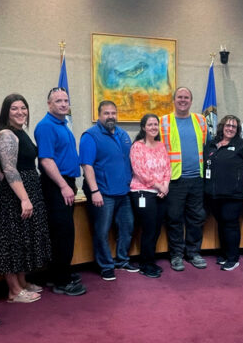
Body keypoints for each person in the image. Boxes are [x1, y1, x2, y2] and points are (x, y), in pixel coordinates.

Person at [0, 94, 51, 303]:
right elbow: (9, 169)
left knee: (24, 240)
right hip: (16, 197)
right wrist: (24, 198)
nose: (20, 112)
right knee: (12, 243)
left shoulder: (20, 132)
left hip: (26, 189)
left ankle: (23, 282)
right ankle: (14, 291)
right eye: (14, 108)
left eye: (23, 108)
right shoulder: (6, 134)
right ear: (6, 112)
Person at [35, 87, 86, 296]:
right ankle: (61, 281)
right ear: (49, 104)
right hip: (56, 185)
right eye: (58, 101)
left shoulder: (63, 123)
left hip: (66, 183)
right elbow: (46, 160)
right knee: (62, 233)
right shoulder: (46, 126)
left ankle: (59, 272)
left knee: (63, 233)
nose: (64, 104)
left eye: (66, 100)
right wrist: (64, 186)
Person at [80, 100, 138, 281]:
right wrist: (94, 191)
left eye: (113, 113)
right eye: (106, 113)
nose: (110, 116)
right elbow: (87, 165)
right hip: (102, 193)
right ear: (99, 115)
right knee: (102, 231)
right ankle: (105, 266)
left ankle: (122, 260)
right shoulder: (90, 136)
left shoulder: (123, 134)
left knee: (127, 226)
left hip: (123, 192)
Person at [160, 87, 209, 271]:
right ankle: (176, 255)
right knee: (174, 218)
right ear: (174, 100)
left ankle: (193, 253)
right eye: (179, 97)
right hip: (174, 179)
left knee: (196, 218)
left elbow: (206, 145)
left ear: (191, 101)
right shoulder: (163, 121)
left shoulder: (201, 120)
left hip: (197, 178)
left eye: (186, 97)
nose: (183, 100)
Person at [204, 115, 243, 271]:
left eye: (234, 126)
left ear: (237, 129)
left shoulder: (242, 145)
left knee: (230, 224)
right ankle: (225, 254)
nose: (230, 128)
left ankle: (233, 258)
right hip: (213, 195)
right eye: (228, 125)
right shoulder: (212, 144)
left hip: (233, 194)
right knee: (221, 223)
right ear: (222, 127)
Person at [130, 113, 171, 278]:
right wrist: (159, 186)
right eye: (150, 125)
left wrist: (165, 186)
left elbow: (167, 168)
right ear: (143, 127)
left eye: (155, 124)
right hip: (143, 192)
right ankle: (145, 264)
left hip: (161, 193)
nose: (154, 127)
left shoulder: (161, 145)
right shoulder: (137, 147)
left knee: (156, 229)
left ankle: (150, 260)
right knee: (149, 229)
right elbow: (140, 172)